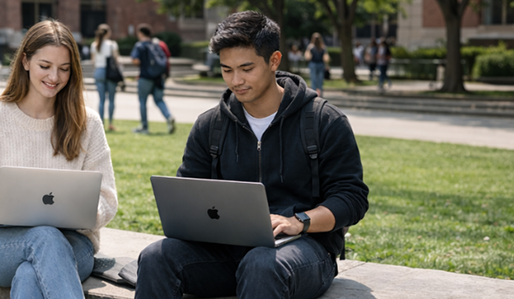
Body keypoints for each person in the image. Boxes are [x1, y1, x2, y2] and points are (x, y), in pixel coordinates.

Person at [135, 11, 369, 299]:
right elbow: (188, 194)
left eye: (247, 68)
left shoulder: (323, 121)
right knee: (156, 257)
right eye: (227, 69)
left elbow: (351, 197)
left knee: (261, 264)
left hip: (305, 250)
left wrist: (299, 221)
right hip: (226, 251)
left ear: (274, 61)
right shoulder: (210, 125)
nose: (236, 80)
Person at [0, 20, 118, 299]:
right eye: (45, 66)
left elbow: (106, 199)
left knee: (32, 272)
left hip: (73, 242)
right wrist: (12, 206)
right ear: (25, 61)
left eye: (64, 69)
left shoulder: (87, 123)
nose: (55, 77)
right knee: (43, 237)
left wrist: (79, 210)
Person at [130, 23, 176, 135]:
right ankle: (169, 117)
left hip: (145, 78)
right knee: (159, 100)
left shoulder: (140, 45)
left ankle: (144, 126)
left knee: (142, 101)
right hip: (158, 78)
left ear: (140, 33)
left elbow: (135, 60)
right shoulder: (157, 44)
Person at [91, 24, 120, 131]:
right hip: (110, 73)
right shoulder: (112, 44)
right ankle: (111, 123)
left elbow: (93, 61)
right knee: (111, 99)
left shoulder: (94, 45)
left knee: (101, 100)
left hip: (99, 72)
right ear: (108, 33)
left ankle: (101, 123)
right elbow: (116, 60)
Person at [303, 32, 330, 97]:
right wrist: (327, 65)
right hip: (320, 64)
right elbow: (326, 58)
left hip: (314, 64)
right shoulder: (323, 47)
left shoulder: (311, 47)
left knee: (314, 80)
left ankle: (313, 96)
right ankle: (320, 96)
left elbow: (307, 57)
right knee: (319, 81)